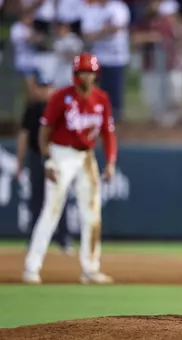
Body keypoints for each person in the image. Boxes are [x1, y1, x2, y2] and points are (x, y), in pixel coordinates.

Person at [22, 53, 117, 285]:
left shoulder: (101, 99)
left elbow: (108, 133)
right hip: (61, 153)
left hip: (86, 156)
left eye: (91, 71)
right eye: (84, 71)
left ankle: (90, 268)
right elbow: (45, 130)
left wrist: (110, 161)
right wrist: (47, 159)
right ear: (76, 74)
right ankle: (31, 268)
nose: (88, 76)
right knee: (51, 210)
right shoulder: (61, 97)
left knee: (92, 212)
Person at [16, 65, 74, 255]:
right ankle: (35, 240)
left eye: (48, 86)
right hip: (36, 156)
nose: (45, 90)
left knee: (59, 198)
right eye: (42, 86)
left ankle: (63, 239)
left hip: (57, 157)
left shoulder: (61, 108)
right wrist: (19, 161)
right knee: (36, 198)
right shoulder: (33, 109)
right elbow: (24, 135)